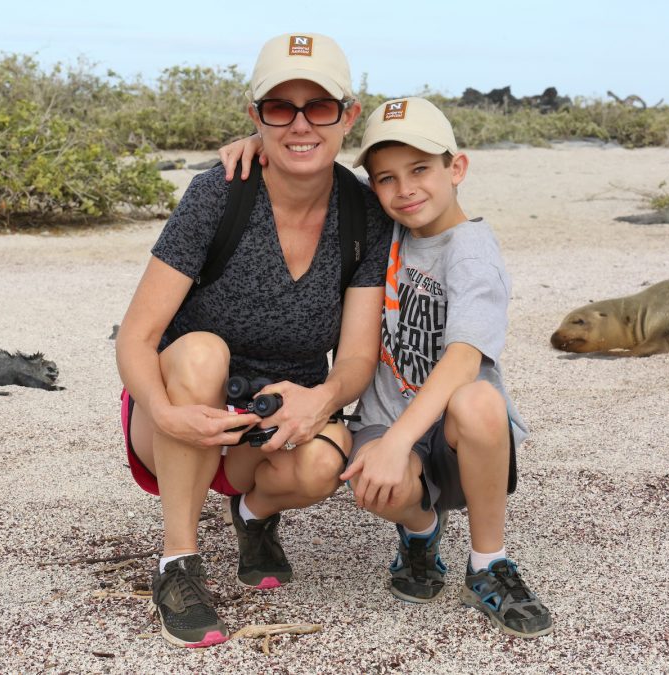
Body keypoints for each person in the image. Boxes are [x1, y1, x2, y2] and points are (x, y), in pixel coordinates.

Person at [223, 96, 553, 638]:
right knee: (378, 485)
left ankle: (487, 564)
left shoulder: (471, 252)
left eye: (420, 170)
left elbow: (464, 360)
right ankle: (421, 531)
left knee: (478, 398)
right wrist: (263, 144)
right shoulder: (386, 225)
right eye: (386, 178)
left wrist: (400, 442)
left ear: (457, 168)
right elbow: (314, 171)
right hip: (386, 418)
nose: (405, 189)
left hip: (458, 435)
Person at [115, 32, 391, 648]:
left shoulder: (364, 213)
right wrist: (163, 410)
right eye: (280, 108)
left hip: (270, 422)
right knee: (201, 351)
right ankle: (178, 564)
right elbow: (137, 335)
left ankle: (253, 516)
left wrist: (322, 400)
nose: (301, 124)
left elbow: (356, 356)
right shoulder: (220, 193)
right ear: (255, 115)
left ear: (348, 116)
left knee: (322, 466)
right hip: (177, 410)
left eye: (320, 106)